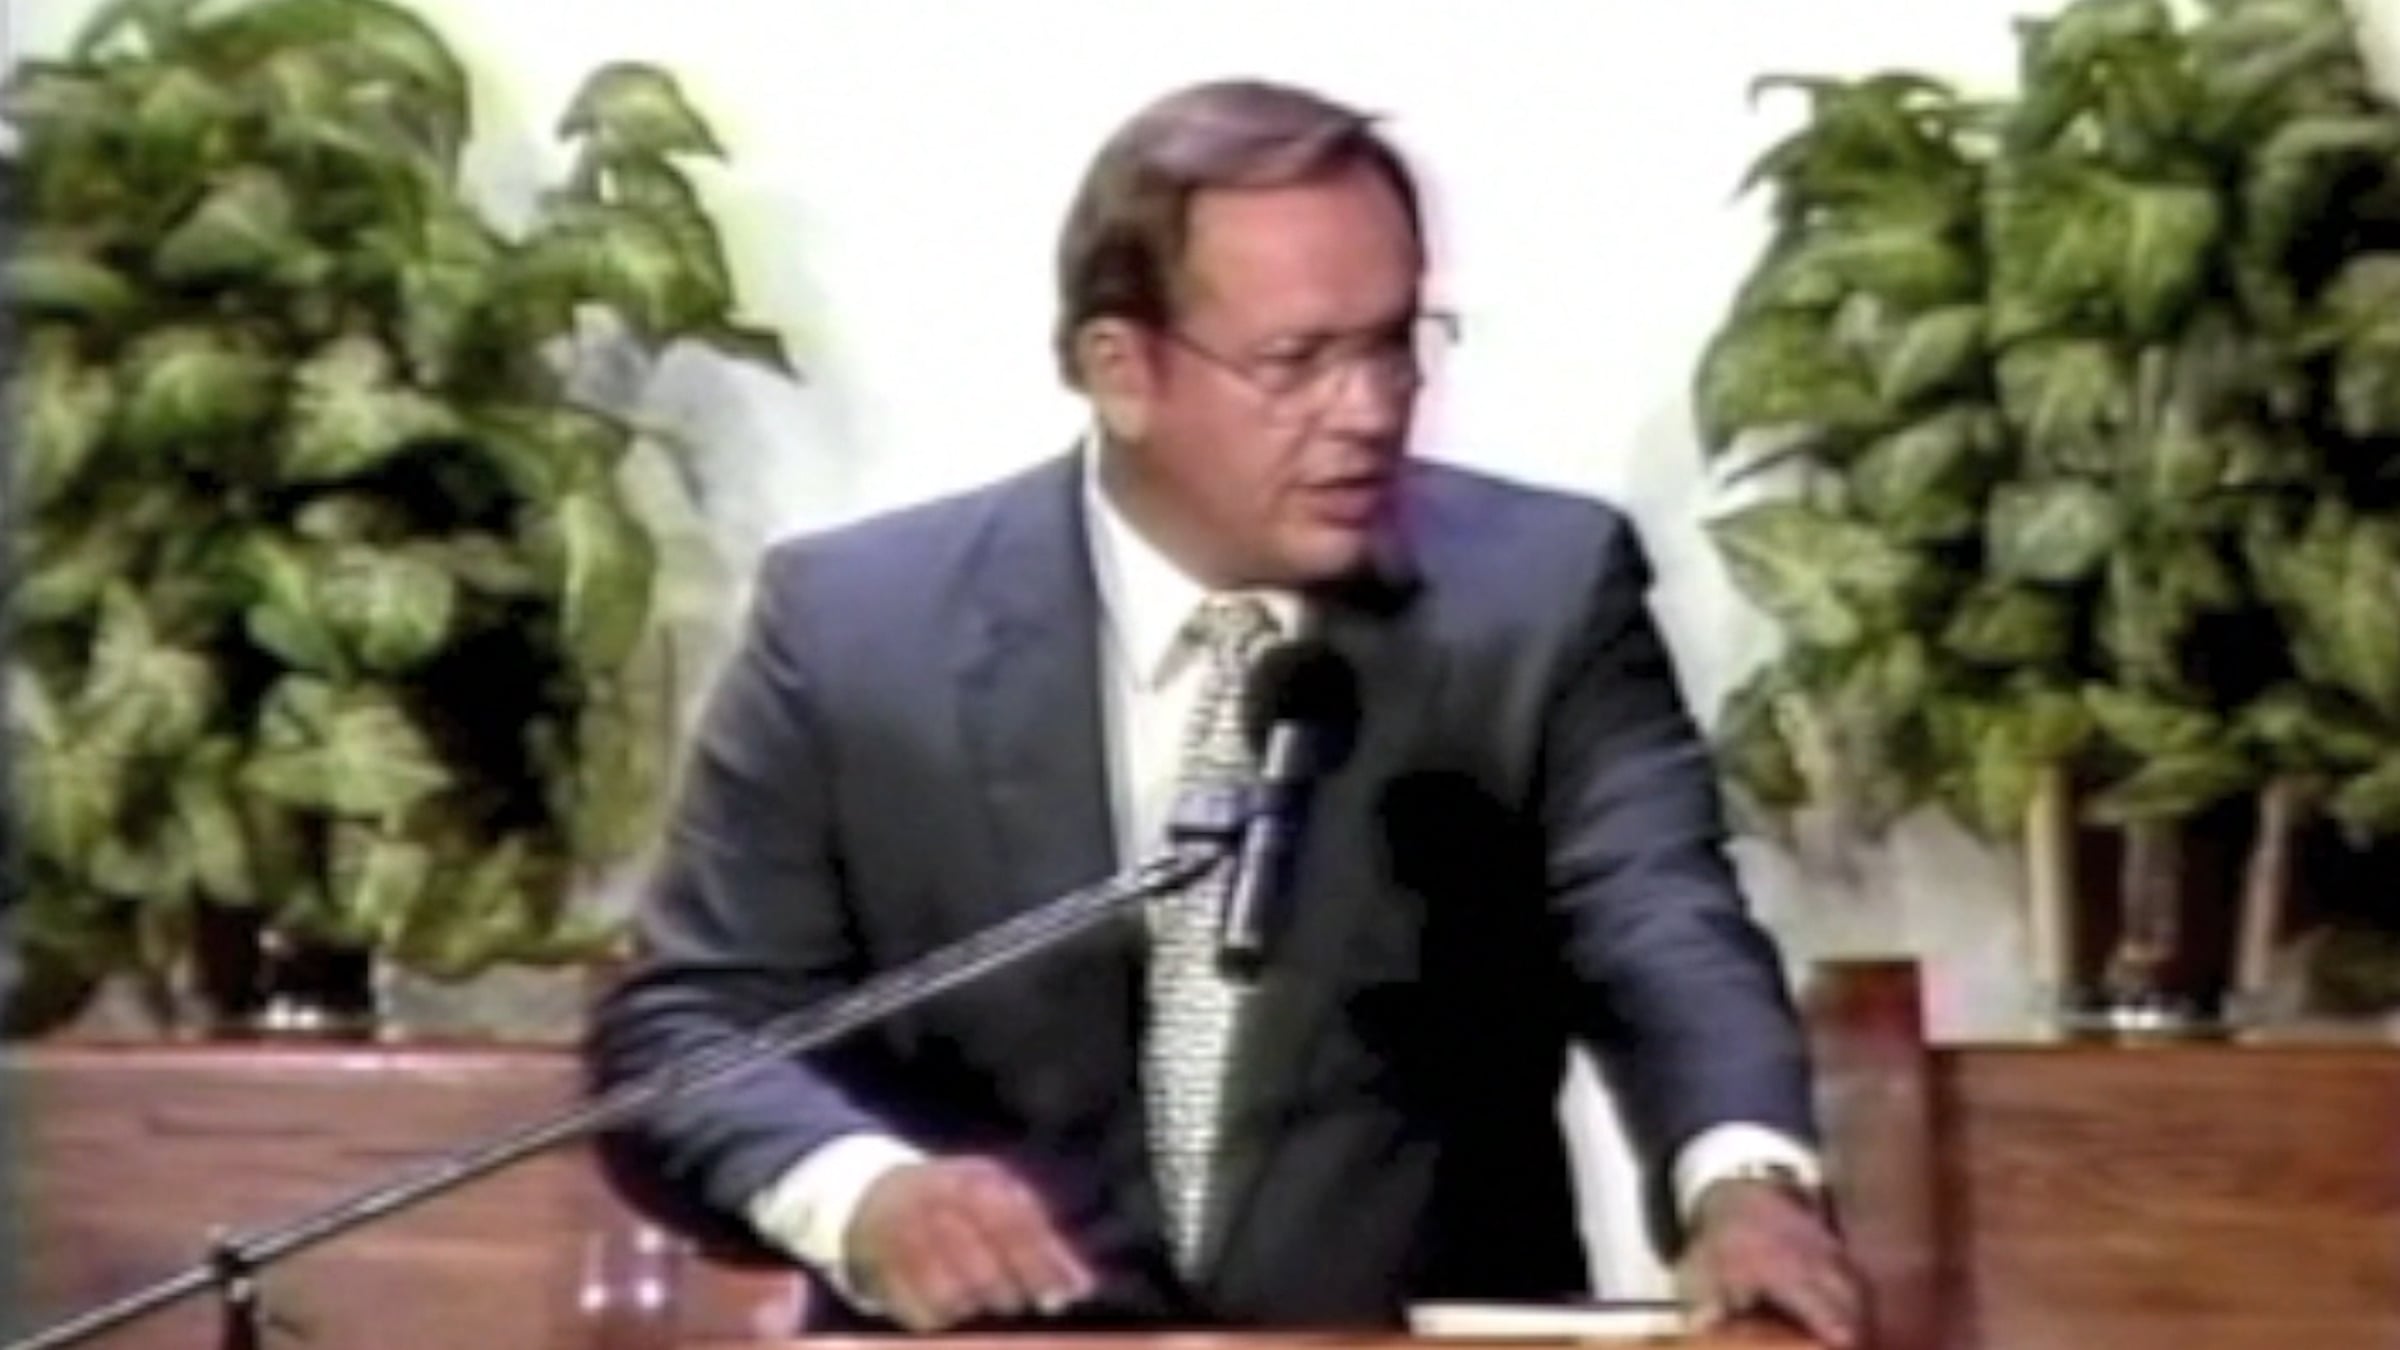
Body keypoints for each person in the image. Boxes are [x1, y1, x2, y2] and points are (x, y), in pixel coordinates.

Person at [587, 78, 1864, 1345]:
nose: (1370, 408)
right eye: (1297, 361)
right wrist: (862, 1197)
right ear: (1122, 370)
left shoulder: (1541, 596)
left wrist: (1747, 1181)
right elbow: (685, 1031)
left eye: (1393, 344)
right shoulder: (858, 630)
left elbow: (1661, 926)